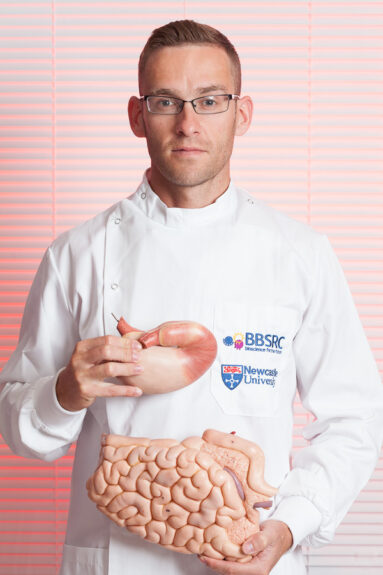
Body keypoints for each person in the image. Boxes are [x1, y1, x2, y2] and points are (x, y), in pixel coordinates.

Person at [0, 19, 382, 575]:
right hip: (113, 559)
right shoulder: (75, 256)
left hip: (249, 558)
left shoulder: (300, 254)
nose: (187, 123)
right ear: (137, 116)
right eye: (165, 102)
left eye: (209, 101)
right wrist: (63, 391)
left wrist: (288, 525)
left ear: (241, 114)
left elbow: (354, 420)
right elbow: (20, 429)